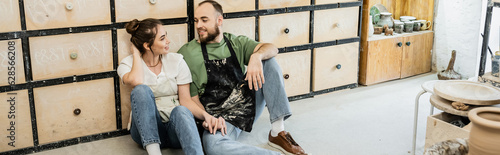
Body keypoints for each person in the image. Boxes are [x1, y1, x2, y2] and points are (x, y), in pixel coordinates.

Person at [177, 1, 307, 154]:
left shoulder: (236, 43)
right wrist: (208, 119)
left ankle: (277, 132)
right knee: (212, 145)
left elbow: (272, 48)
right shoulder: (187, 53)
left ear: (219, 21)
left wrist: (256, 56)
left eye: (204, 20)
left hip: (246, 103)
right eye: (196, 20)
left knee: (268, 61)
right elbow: (191, 98)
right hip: (219, 117)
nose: (199, 25)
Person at [117, 18, 223, 155]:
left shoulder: (177, 61)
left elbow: (186, 100)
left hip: (174, 129)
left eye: (166, 35)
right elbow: (136, 81)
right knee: (140, 90)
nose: (168, 41)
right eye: (162, 38)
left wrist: (205, 116)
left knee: (181, 110)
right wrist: (136, 54)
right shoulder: (127, 64)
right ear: (147, 46)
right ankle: (154, 152)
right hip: (145, 131)